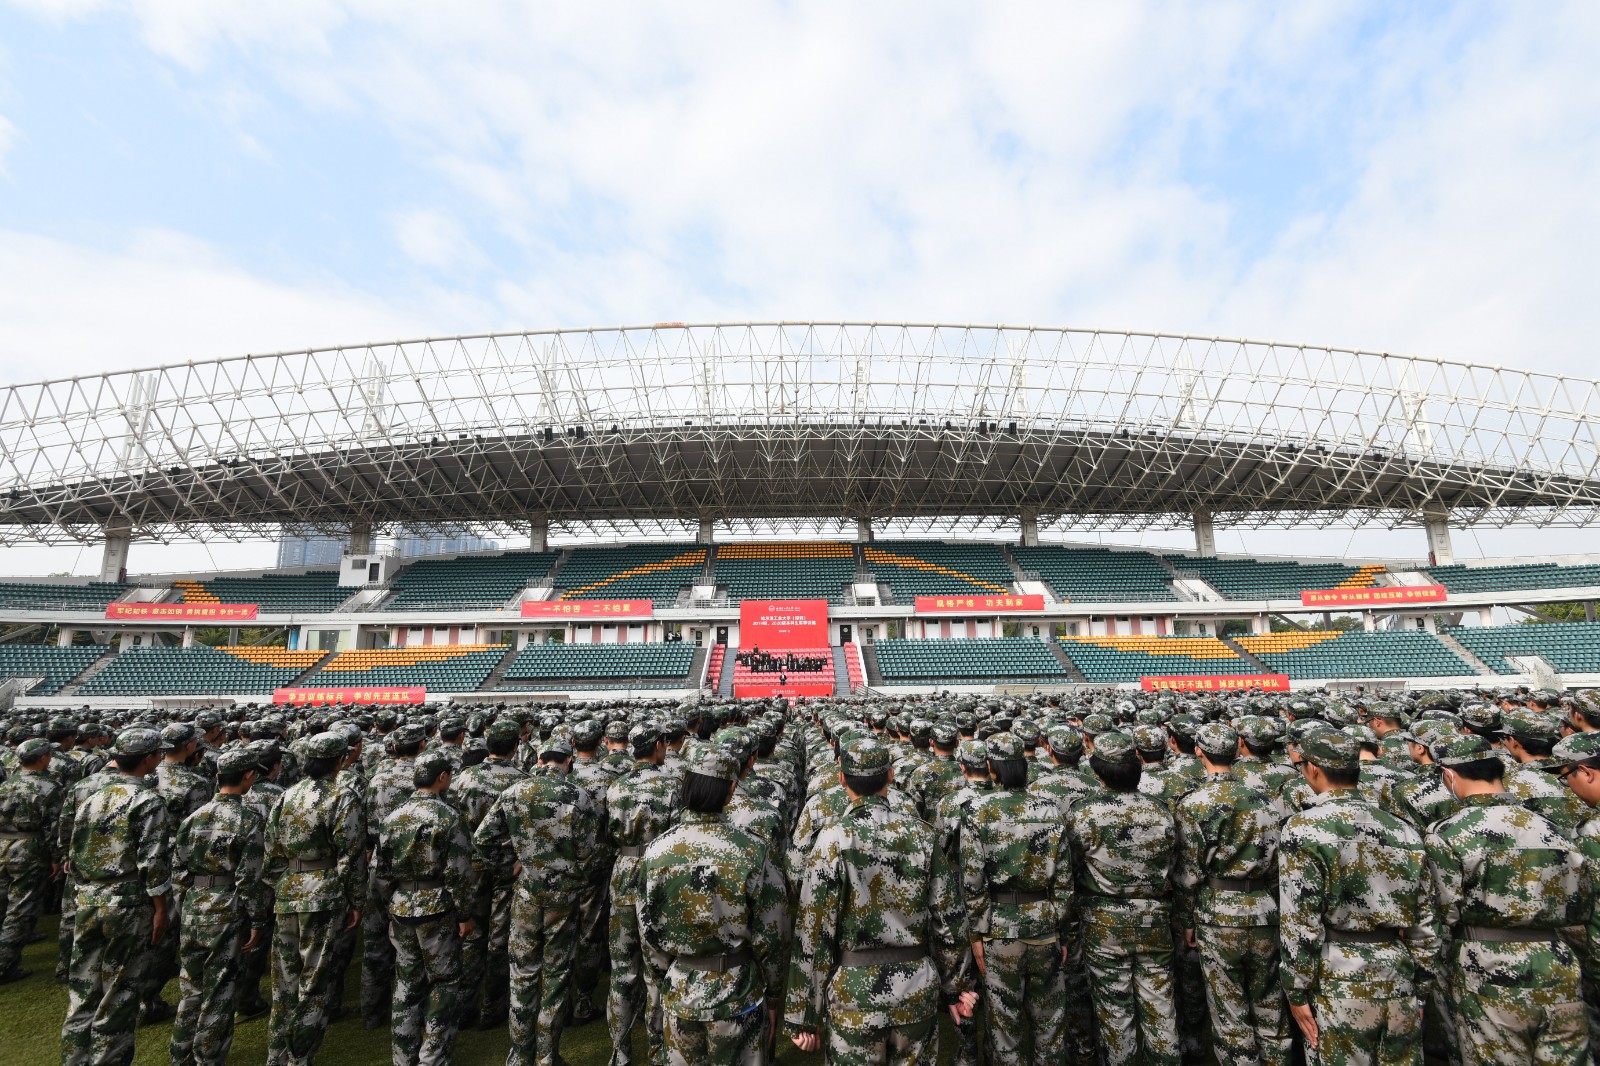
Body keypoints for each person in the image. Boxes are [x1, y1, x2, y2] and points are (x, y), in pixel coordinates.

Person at [784, 736, 977, 1066]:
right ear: (890, 776)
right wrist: (956, 987)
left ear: (841, 778)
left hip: (854, 992)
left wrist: (803, 1013)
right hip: (914, 987)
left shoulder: (833, 839)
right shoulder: (921, 835)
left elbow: (813, 930)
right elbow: (949, 919)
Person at [1278, 731, 1441, 1066]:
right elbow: (1425, 921)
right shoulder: (1402, 829)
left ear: (1313, 769)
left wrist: (1296, 988)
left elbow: (1300, 919)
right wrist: (1421, 987)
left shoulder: (1303, 829)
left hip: (1336, 973)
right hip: (1396, 970)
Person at [1424, 735, 1590, 1063]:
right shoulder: (1553, 829)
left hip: (1487, 966)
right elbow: (1582, 903)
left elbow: (1442, 914)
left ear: (1449, 775)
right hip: (1557, 962)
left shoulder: (1447, 834)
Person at [638, 746, 787, 1065]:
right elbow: (772, 935)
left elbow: (648, 933)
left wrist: (665, 979)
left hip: (682, 988)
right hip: (737, 993)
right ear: (731, 789)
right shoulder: (753, 850)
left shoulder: (657, 851)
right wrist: (774, 995)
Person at [472, 735, 600, 1066]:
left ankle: (520, 1055)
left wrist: (510, 867)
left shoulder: (515, 792)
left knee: (522, 974)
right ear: (568, 762)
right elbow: (590, 852)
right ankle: (546, 1056)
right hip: (563, 896)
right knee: (556, 976)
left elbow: (483, 839)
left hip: (527, 892)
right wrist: (572, 873)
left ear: (540, 760)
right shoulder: (578, 796)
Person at [1174, 722, 1288, 1066]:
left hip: (1218, 913)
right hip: (1264, 908)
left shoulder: (1194, 803)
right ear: (1237, 750)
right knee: (1270, 1006)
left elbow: (1189, 873)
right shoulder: (1265, 801)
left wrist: (1187, 920)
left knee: (1229, 1012)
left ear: (1199, 751)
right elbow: (1276, 865)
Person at [1065, 731, 1181, 1066]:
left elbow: (1070, 868)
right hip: (1154, 918)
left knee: (1115, 1013)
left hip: (1105, 923)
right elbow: (1174, 864)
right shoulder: (1160, 811)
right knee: (1161, 1007)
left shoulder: (1084, 813)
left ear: (1097, 772)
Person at [60, 726, 172, 1066]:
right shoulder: (147, 800)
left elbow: (74, 851)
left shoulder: (92, 797)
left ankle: (75, 1059)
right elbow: (153, 862)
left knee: (83, 992)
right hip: (127, 901)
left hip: (88, 897)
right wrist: (161, 908)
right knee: (120, 993)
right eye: (158, 753)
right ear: (148, 759)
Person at [960, 732, 1074, 1066]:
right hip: (1043, 925)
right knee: (1050, 1024)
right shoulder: (1049, 810)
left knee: (1005, 1028)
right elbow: (1064, 881)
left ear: (991, 767)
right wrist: (1061, 929)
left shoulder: (977, 811)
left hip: (999, 929)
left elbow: (972, 881)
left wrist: (977, 934)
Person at [263, 730, 367, 1066]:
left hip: (288, 890)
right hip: (323, 892)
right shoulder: (342, 797)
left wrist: (283, 885)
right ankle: (299, 1058)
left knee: (284, 985)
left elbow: (271, 852)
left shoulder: (286, 795)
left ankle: (277, 1056)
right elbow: (351, 854)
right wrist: (355, 900)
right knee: (314, 983)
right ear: (340, 760)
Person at [170, 747, 271, 1066]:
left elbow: (179, 871)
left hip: (194, 905)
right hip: (227, 907)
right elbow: (249, 878)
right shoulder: (248, 820)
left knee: (191, 988)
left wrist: (185, 906)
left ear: (217, 777)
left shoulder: (193, 818)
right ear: (249, 776)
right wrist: (258, 920)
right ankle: (208, 1057)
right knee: (219, 990)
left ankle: (181, 1054)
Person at [376, 750, 475, 1066]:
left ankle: (403, 1057)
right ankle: (432, 1057)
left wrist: (390, 906)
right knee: (443, 983)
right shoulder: (448, 817)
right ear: (442, 777)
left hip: (402, 906)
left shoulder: (394, 816)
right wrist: (465, 914)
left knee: (406, 983)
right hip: (437, 908)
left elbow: (381, 872)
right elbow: (459, 872)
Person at [453, 717, 528, 1029]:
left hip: (470, 865)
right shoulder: (521, 781)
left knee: (471, 936)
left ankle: (465, 1007)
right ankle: (492, 1008)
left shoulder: (463, 779)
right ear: (515, 746)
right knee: (500, 938)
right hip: (505, 867)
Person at [0, 736, 65, 984]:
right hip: (29, 848)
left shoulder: (6, 784)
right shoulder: (49, 787)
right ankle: (4, 966)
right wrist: (56, 857)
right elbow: (53, 827)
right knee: (21, 908)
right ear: (43, 758)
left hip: (3, 844)